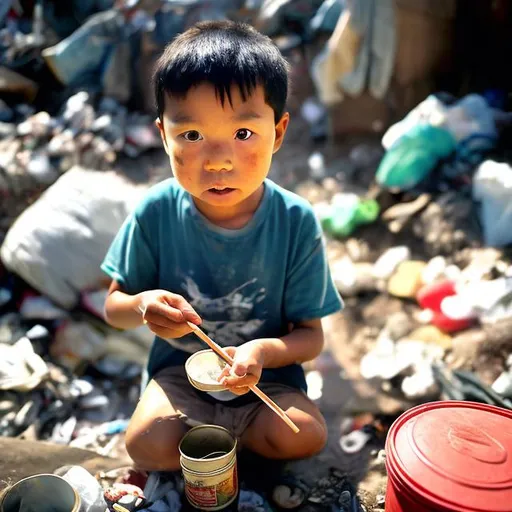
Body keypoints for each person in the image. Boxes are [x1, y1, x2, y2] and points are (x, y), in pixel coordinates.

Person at [101, 19, 343, 472]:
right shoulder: (156, 210)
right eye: (191, 136)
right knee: (145, 444)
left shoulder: (296, 221)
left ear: (280, 131)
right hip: (180, 376)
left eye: (244, 134)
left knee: (305, 434)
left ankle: (219, 446)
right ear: (163, 135)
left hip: (265, 383)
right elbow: (113, 306)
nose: (218, 160)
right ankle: (215, 447)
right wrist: (143, 306)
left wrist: (261, 354)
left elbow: (310, 338)